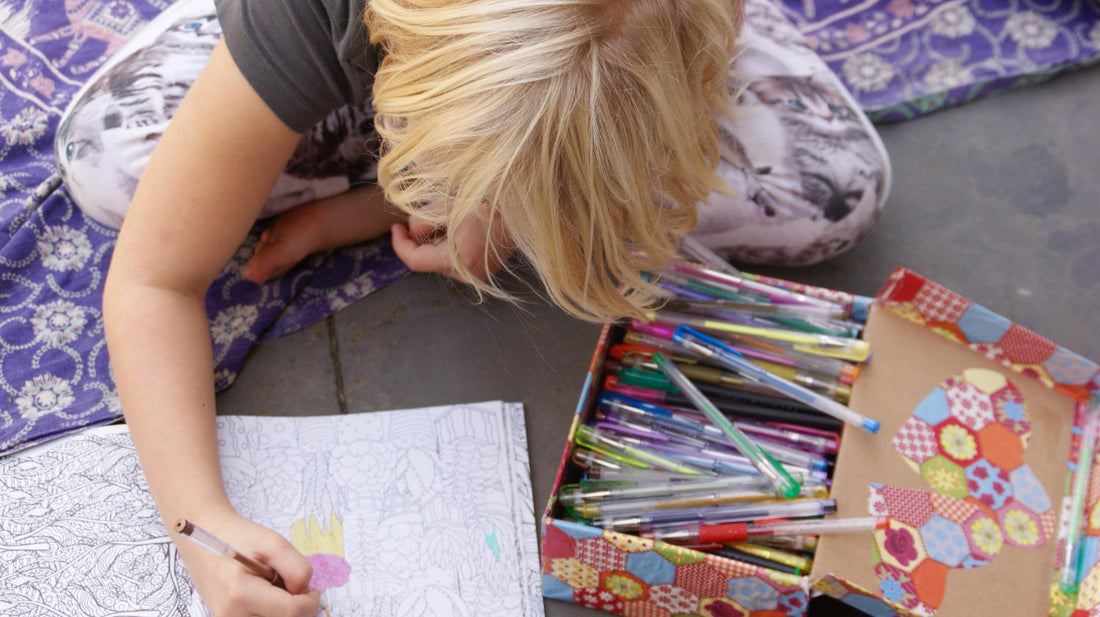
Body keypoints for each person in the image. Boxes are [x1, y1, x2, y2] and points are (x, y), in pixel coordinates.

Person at [55, 0, 889, 615]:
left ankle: (459, 175)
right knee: (109, 164)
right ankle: (440, 162)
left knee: (838, 187)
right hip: (365, 51)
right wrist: (199, 520)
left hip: (630, 54)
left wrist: (501, 212)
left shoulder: (670, 35)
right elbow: (151, 281)